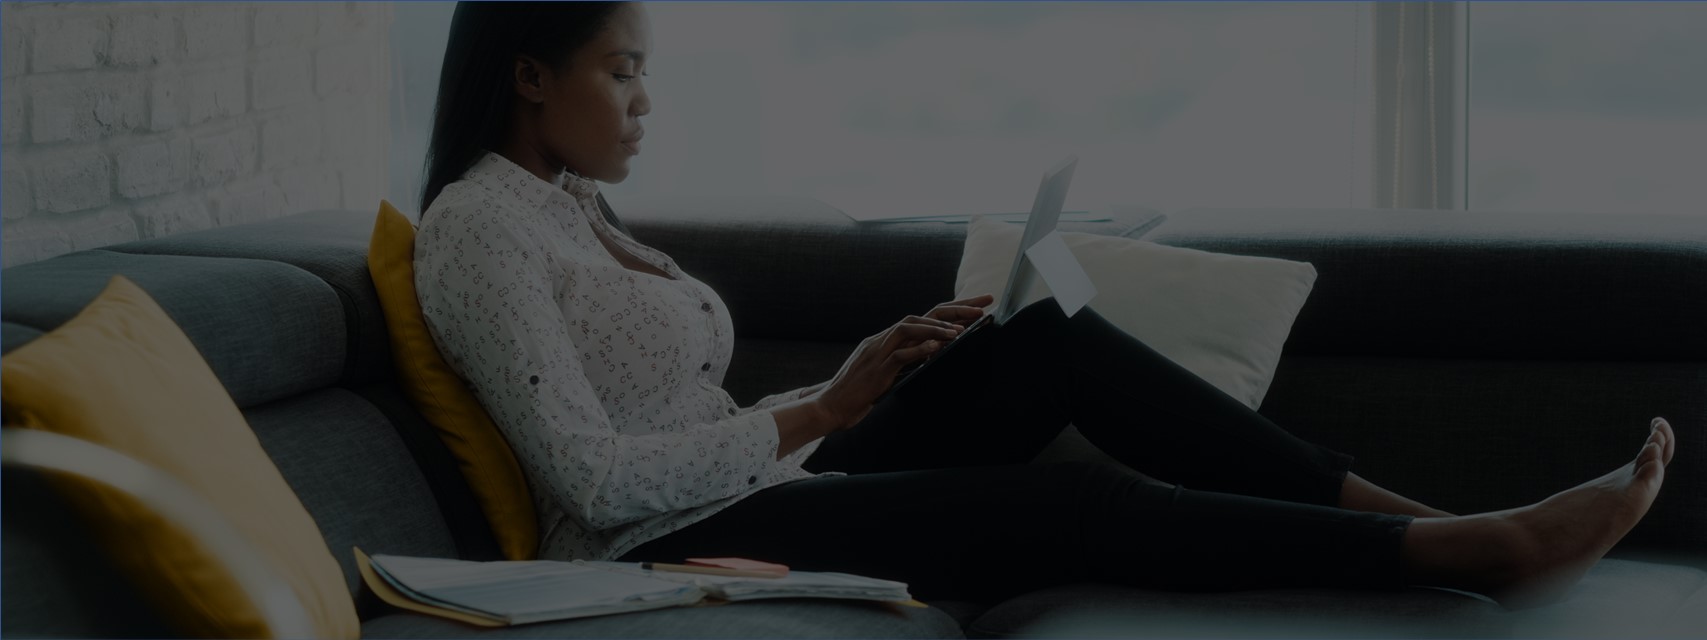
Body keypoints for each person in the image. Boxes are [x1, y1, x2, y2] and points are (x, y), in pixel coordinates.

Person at [413, 1, 1675, 609]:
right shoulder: (476, 230)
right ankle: (1464, 554)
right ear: (529, 73)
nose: (645, 102)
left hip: (761, 480)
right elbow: (586, 476)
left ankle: (1435, 514)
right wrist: (817, 420)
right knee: (1068, 504)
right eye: (622, 72)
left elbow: (677, 409)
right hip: (666, 552)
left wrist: (837, 383)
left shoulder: (573, 208)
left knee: (1045, 340)